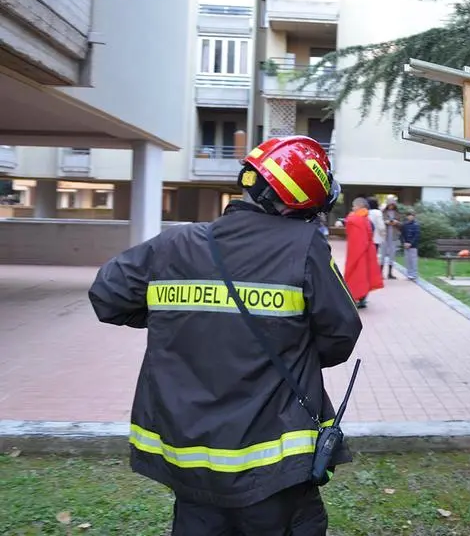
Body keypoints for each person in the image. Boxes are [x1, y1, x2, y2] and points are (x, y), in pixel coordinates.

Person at [87, 135, 363, 535]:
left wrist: (184, 323)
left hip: (189, 458)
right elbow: (340, 334)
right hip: (274, 462)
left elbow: (107, 298)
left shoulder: (173, 244)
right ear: (303, 202)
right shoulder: (304, 247)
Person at [344, 196, 384, 309]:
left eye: (354, 206)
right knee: (365, 276)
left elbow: (356, 238)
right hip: (368, 252)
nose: (352, 208)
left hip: (358, 252)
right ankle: (362, 299)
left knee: (357, 275)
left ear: (359, 206)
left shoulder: (355, 219)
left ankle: (357, 298)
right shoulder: (366, 219)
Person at [381, 201, 401, 279]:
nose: (391, 206)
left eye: (392, 205)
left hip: (393, 237)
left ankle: (390, 273)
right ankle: (380, 273)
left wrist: (396, 222)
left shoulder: (397, 213)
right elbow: (380, 222)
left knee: (392, 256)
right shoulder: (383, 212)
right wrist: (386, 222)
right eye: (389, 205)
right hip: (384, 236)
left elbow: (401, 224)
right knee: (382, 255)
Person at [400, 210, 421, 280]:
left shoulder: (416, 225)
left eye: (412, 215)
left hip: (413, 246)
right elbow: (402, 235)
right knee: (407, 260)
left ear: (414, 216)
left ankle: (414, 274)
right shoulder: (404, 225)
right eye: (409, 215)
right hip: (406, 245)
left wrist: (411, 243)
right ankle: (409, 274)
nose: (410, 217)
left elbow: (416, 236)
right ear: (407, 216)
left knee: (413, 260)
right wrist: (404, 242)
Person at [367, 197, 386, 262]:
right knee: (373, 256)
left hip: (367, 238)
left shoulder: (366, 212)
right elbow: (381, 226)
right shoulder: (378, 213)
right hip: (376, 238)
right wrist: (383, 235)